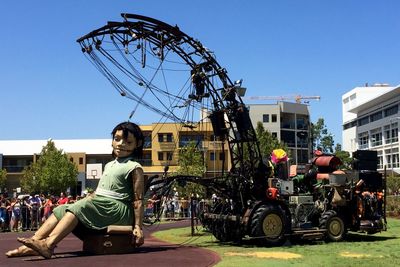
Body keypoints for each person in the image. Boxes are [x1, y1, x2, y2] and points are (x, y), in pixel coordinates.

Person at [6, 121, 145, 258]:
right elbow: (100, 191)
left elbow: (138, 199)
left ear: (137, 144)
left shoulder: (134, 166)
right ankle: (33, 243)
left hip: (118, 209)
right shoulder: (109, 164)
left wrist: (138, 227)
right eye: (117, 139)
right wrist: (87, 198)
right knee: (62, 208)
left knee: (79, 207)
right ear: (112, 140)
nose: (121, 144)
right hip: (103, 205)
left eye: (128, 142)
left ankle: (49, 244)